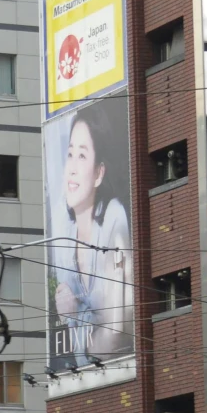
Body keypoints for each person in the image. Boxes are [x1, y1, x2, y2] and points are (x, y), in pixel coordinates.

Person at [48, 99, 135, 365]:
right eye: (70, 154)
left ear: (99, 172)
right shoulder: (64, 229)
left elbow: (117, 330)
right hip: (81, 374)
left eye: (82, 155)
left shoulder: (113, 219)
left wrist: (73, 316)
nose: (72, 168)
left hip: (116, 370)